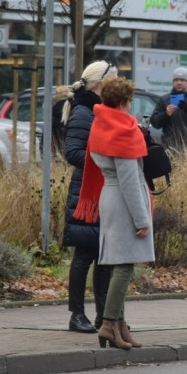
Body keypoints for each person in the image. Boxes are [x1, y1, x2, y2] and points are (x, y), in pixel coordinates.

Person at [73, 77, 155, 349]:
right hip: (123, 200)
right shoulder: (122, 129)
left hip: (109, 196)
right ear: (122, 103)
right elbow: (130, 179)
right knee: (124, 266)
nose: (131, 106)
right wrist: (142, 218)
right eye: (129, 101)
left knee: (120, 262)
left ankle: (120, 328)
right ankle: (109, 324)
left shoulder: (101, 123)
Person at [60, 61, 119, 332]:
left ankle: (103, 316)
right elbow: (72, 152)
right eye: (114, 80)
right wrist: (105, 159)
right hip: (87, 193)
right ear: (101, 84)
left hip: (102, 190)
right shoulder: (84, 112)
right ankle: (77, 315)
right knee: (84, 255)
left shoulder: (100, 110)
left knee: (105, 256)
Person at [150, 66, 187, 150]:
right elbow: (154, 123)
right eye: (176, 80)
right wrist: (166, 114)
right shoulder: (164, 100)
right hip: (170, 146)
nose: (178, 83)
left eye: (182, 80)